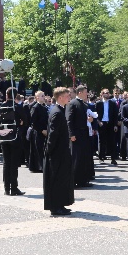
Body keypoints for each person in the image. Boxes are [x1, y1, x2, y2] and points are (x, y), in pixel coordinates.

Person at [43, 87, 74, 216]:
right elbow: (53, 134)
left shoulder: (61, 110)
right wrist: (50, 151)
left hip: (61, 150)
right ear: (60, 97)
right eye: (67, 96)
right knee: (56, 179)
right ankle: (55, 207)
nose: (69, 97)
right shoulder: (57, 112)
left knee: (61, 179)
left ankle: (60, 204)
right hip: (57, 152)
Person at [66, 85, 95, 188]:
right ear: (80, 93)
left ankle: (83, 180)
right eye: (85, 92)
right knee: (76, 158)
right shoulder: (73, 103)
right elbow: (69, 120)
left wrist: (90, 119)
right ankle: (73, 181)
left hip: (84, 133)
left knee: (84, 158)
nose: (87, 94)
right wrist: (71, 134)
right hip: (76, 134)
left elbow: (84, 117)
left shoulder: (84, 104)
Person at [0, 87, 25, 195]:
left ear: (6, 95)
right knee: (14, 163)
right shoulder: (17, 107)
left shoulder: (1, 106)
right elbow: (24, 120)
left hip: (3, 135)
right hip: (14, 135)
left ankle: (6, 188)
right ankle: (14, 187)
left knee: (6, 162)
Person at [96, 89, 119, 165]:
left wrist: (115, 125)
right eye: (105, 93)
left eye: (108, 93)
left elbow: (115, 115)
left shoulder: (112, 103)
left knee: (112, 141)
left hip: (110, 124)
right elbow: (95, 115)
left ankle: (113, 158)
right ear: (102, 94)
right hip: (102, 124)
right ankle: (101, 157)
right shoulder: (98, 103)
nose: (107, 94)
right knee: (102, 141)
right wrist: (99, 122)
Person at [27, 91, 47, 172]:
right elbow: (33, 122)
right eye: (42, 96)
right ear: (37, 97)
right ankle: (39, 166)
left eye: (44, 95)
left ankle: (41, 165)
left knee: (42, 149)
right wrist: (41, 130)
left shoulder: (44, 107)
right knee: (38, 149)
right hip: (38, 132)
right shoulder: (35, 107)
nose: (44, 97)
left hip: (44, 131)